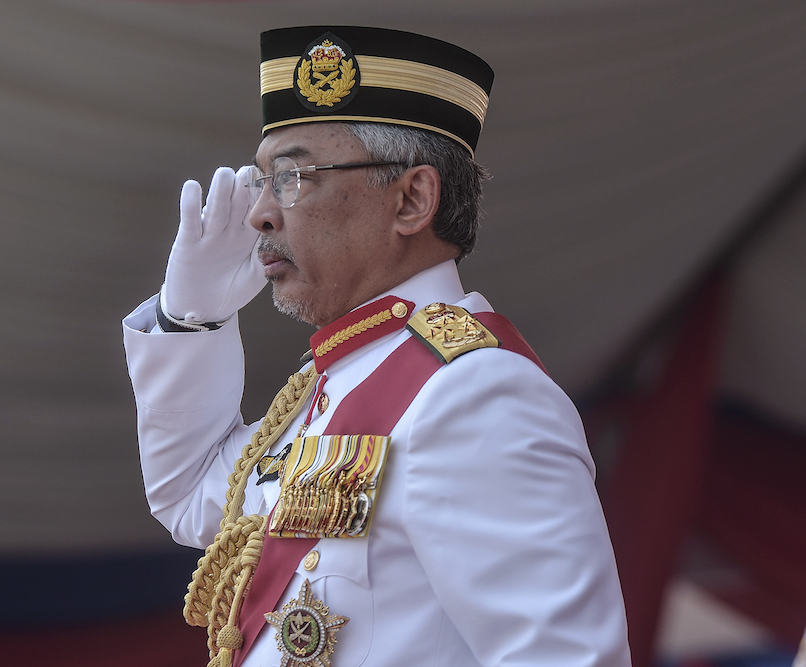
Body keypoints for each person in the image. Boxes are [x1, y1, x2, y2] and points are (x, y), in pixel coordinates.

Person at [124, 25, 631, 667]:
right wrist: (189, 321)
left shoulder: (476, 393)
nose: (260, 215)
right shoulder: (339, 378)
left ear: (413, 199)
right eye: (263, 181)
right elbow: (192, 496)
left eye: (293, 176)